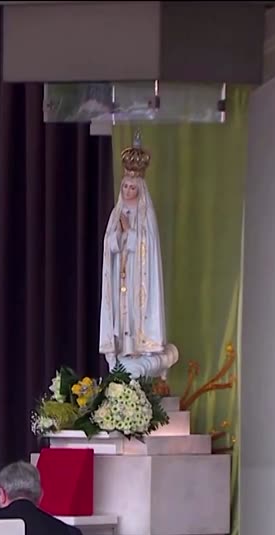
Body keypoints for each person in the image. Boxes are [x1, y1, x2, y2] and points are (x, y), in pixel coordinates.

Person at [98, 137, 177, 379]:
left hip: (137, 277)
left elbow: (147, 247)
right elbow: (109, 245)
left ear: (139, 189)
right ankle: (123, 349)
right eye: (125, 187)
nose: (128, 191)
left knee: (134, 310)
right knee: (121, 315)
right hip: (119, 275)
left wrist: (130, 232)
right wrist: (119, 234)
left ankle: (142, 351)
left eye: (133, 188)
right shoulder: (117, 213)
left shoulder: (145, 215)